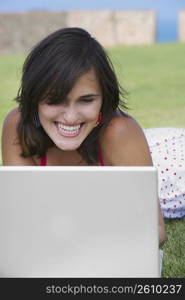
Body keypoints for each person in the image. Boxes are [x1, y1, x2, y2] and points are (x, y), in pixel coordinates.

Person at [1, 27, 166, 244]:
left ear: (104, 100)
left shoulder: (120, 132)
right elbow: (20, 219)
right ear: (34, 100)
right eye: (54, 100)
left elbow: (156, 231)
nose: (70, 117)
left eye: (86, 100)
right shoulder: (18, 126)